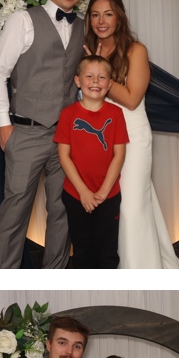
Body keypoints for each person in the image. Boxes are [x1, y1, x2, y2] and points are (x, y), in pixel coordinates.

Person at [0, 0, 90, 269]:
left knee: (63, 210)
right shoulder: (23, 20)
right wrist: (4, 124)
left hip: (67, 136)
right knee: (15, 210)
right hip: (26, 130)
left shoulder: (84, 27)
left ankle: (53, 277)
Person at [84, 0, 179, 270]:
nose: (101, 21)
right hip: (101, 138)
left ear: (119, 17)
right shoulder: (87, 49)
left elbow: (131, 99)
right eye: (95, 15)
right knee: (122, 207)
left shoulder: (136, 50)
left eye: (108, 14)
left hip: (132, 137)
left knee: (130, 209)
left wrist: (98, 74)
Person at [54, 55, 129, 268]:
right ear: (78, 81)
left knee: (107, 253)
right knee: (82, 252)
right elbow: (64, 156)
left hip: (108, 196)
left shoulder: (116, 114)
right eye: (89, 76)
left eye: (101, 77)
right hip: (75, 195)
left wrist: (104, 192)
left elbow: (119, 155)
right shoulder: (68, 115)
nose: (95, 81)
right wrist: (83, 192)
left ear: (110, 84)